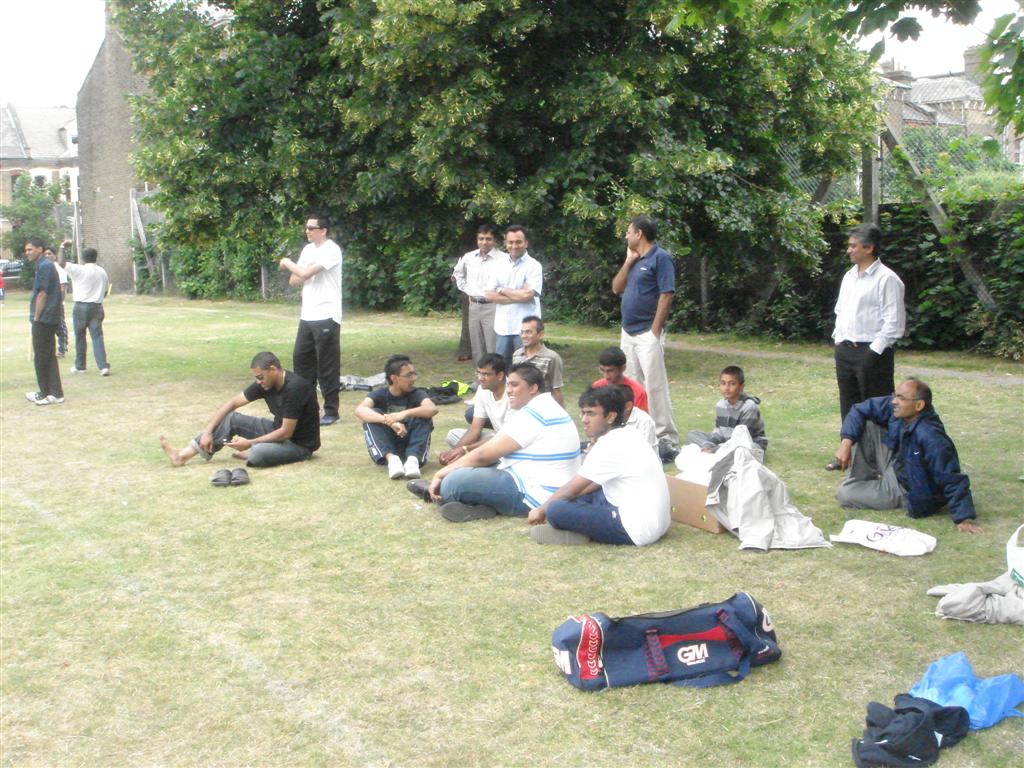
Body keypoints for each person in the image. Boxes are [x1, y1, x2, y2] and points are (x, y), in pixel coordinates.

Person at [407, 363, 580, 522]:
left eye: (514, 385)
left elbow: (484, 455)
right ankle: (481, 506)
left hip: (535, 493)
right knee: (465, 465)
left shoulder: (535, 413)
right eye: (508, 384)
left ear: (533, 388)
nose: (509, 390)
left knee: (453, 483)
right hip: (534, 479)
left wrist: (440, 474)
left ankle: (443, 492)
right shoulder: (545, 406)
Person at [833, 377, 982, 535]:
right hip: (898, 462)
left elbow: (951, 476)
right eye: (895, 395)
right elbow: (859, 409)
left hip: (905, 488)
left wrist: (963, 518)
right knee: (866, 425)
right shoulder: (900, 411)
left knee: (844, 494)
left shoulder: (931, 436)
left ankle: (873, 490)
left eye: (901, 398)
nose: (894, 402)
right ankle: (862, 479)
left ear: (919, 405)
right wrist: (846, 443)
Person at [527, 386, 671, 546]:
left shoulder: (609, 444)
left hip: (635, 529)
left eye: (591, 413)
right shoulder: (630, 433)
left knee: (556, 510)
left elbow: (570, 489)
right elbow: (591, 484)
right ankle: (580, 527)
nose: (584, 419)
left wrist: (540, 510)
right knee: (585, 495)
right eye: (583, 412)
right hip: (657, 523)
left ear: (610, 417)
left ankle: (578, 532)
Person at [159, 351, 321, 468]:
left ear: (273, 369)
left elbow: (286, 432)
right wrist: (208, 431)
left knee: (257, 453)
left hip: (298, 445)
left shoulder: (295, 388)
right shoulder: (265, 383)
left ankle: (257, 451)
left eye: (260, 377)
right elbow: (232, 403)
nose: (258, 382)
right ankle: (181, 456)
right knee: (231, 418)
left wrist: (249, 443)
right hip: (276, 431)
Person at [611, 215, 680, 457]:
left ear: (639, 233)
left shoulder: (661, 258)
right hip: (628, 331)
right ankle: (639, 431)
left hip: (647, 333)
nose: (626, 236)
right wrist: (628, 262)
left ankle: (666, 438)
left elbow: (666, 294)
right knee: (632, 385)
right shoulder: (634, 259)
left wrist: (655, 331)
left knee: (655, 386)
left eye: (628, 232)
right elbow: (616, 288)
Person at [831, 223, 905, 425]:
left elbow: (894, 323)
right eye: (849, 246)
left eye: (854, 246)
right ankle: (849, 453)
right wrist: (839, 340)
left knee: (877, 408)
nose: (849, 250)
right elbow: (841, 310)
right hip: (845, 351)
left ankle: (879, 454)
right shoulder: (849, 276)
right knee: (848, 406)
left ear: (869, 248)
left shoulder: (887, 279)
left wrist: (873, 352)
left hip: (873, 353)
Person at [278, 214, 343, 427]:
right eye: (306, 227)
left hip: (326, 314)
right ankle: (309, 408)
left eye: (311, 228)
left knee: (327, 365)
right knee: (301, 361)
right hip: (307, 315)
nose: (307, 231)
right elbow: (295, 280)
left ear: (323, 230)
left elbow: (303, 273)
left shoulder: (331, 250)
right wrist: (302, 272)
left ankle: (332, 411)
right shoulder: (308, 251)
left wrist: (288, 263)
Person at [355, 355, 439, 480]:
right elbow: (359, 410)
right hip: (387, 446)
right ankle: (392, 461)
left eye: (414, 374)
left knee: (423, 415)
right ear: (394, 378)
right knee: (372, 415)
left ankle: (413, 461)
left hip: (412, 444)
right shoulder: (380, 394)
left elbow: (432, 409)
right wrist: (388, 421)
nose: (413, 379)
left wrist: (404, 414)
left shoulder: (417, 393)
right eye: (409, 375)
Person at [484, 224, 543, 369]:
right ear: (506, 243)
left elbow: (529, 295)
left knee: (526, 370)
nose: (514, 246)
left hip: (525, 328)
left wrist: (501, 289)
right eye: (510, 242)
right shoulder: (499, 265)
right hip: (503, 327)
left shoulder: (534, 266)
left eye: (518, 242)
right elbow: (488, 295)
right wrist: (519, 294)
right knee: (501, 370)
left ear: (526, 243)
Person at [440, 353, 510, 464]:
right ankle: (476, 455)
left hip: (509, 442)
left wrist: (465, 449)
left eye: (486, 374)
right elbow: (475, 429)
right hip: (495, 439)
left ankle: (480, 456)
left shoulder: (514, 392)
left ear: (500, 375)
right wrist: (453, 452)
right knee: (453, 435)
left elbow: (507, 437)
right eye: (479, 373)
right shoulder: (483, 389)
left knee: (494, 439)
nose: (481, 378)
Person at [452, 224, 506, 362]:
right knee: (477, 347)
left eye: (488, 239)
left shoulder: (504, 259)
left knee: (493, 346)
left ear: (494, 241)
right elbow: (457, 274)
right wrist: (468, 290)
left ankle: (496, 380)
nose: (484, 242)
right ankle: (480, 381)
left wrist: (500, 294)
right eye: (481, 238)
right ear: (477, 240)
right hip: (474, 306)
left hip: (494, 306)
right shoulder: (468, 257)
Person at [56, 241, 111, 375]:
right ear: (95, 257)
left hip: (81, 307)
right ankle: (103, 366)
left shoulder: (79, 269)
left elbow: (61, 262)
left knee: (80, 336)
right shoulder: (102, 271)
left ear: (83, 258)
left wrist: (62, 246)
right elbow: (105, 292)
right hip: (97, 306)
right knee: (97, 336)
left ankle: (80, 366)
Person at [686, 365, 767, 454]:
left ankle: (720, 451)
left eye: (732, 384)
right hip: (726, 441)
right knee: (692, 434)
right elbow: (719, 432)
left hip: (748, 443)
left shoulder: (749, 407)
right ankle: (718, 450)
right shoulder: (720, 405)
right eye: (723, 383)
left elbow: (742, 438)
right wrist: (708, 445)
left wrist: (714, 450)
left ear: (741, 387)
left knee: (744, 449)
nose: (726, 388)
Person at [23, 238, 65, 405]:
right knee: (46, 355)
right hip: (47, 317)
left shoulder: (45, 265)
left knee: (42, 356)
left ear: (40, 249)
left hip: (45, 318)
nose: (28, 253)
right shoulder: (42, 265)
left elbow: (43, 293)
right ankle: (51, 392)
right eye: (26, 250)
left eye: (30, 249)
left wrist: (36, 316)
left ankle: (49, 393)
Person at [511, 315, 564, 407]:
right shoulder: (517, 355)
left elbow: (556, 389)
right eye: (522, 332)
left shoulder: (551, 357)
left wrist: (561, 414)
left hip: (542, 406)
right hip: (520, 406)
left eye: (528, 332)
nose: (524, 336)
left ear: (541, 334)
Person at [591, 346, 648, 413]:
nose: (606, 376)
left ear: (623, 368)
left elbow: (642, 420)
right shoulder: (597, 387)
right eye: (602, 370)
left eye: (610, 371)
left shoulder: (638, 392)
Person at [615, 384, 658, 455]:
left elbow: (645, 453)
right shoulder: (612, 419)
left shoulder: (644, 421)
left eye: (614, 405)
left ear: (628, 406)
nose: (610, 409)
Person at [44, 247, 69, 358]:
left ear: (54, 256)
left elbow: (62, 287)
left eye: (49, 253)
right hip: (46, 303)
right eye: (45, 254)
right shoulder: (44, 268)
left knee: (60, 327)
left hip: (57, 303)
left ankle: (62, 349)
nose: (47, 256)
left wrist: (60, 302)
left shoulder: (59, 269)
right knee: (46, 327)